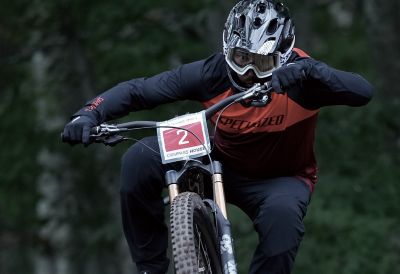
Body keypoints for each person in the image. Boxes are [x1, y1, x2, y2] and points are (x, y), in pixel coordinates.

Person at [62, 0, 373, 273]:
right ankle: (150, 269)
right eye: (240, 58)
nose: (249, 71)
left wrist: (313, 71)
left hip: (280, 179)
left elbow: (363, 92)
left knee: (283, 224)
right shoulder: (211, 73)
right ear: (227, 49)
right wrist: (89, 113)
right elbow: (139, 90)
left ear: (283, 55)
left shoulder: (304, 80)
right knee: (138, 159)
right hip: (219, 162)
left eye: (263, 63)